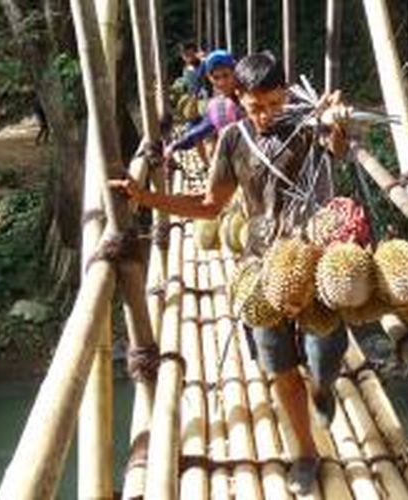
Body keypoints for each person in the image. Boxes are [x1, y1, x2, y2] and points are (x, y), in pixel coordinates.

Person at [111, 52, 348, 495]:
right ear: (237, 98)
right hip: (261, 265)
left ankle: (325, 385)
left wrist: (338, 123)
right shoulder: (234, 140)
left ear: (287, 95)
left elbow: (338, 147)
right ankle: (305, 454)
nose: (266, 115)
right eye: (256, 106)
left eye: (275, 104)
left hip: (316, 259)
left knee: (324, 358)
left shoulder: (309, 126)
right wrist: (145, 198)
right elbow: (209, 205)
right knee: (280, 368)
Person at [164, 49, 243, 165]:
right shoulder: (216, 106)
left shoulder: (249, 99)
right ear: (210, 79)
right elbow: (201, 130)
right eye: (216, 77)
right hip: (234, 165)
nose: (222, 82)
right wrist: (176, 145)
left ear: (234, 73)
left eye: (226, 75)